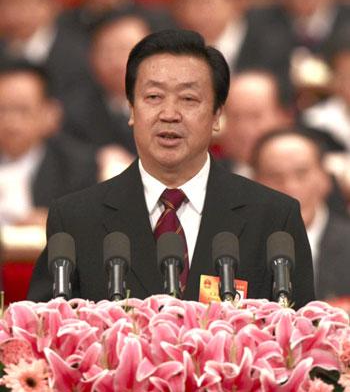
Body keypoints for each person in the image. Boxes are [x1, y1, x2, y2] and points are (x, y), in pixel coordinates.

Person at [28, 29, 314, 308]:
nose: (169, 114)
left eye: (188, 99)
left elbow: (298, 337)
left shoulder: (274, 218)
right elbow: (45, 334)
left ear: (217, 116)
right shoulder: (76, 220)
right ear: (131, 110)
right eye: (154, 97)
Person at [252, 128, 350, 300]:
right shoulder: (238, 244)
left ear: (325, 178)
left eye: (302, 173)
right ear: (254, 183)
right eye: (275, 176)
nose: (290, 187)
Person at [0, 61, 97, 226]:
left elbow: (92, 226)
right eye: (2, 110)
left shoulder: (76, 167)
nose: (10, 122)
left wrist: (56, 223)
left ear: (49, 113)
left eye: (22, 110)